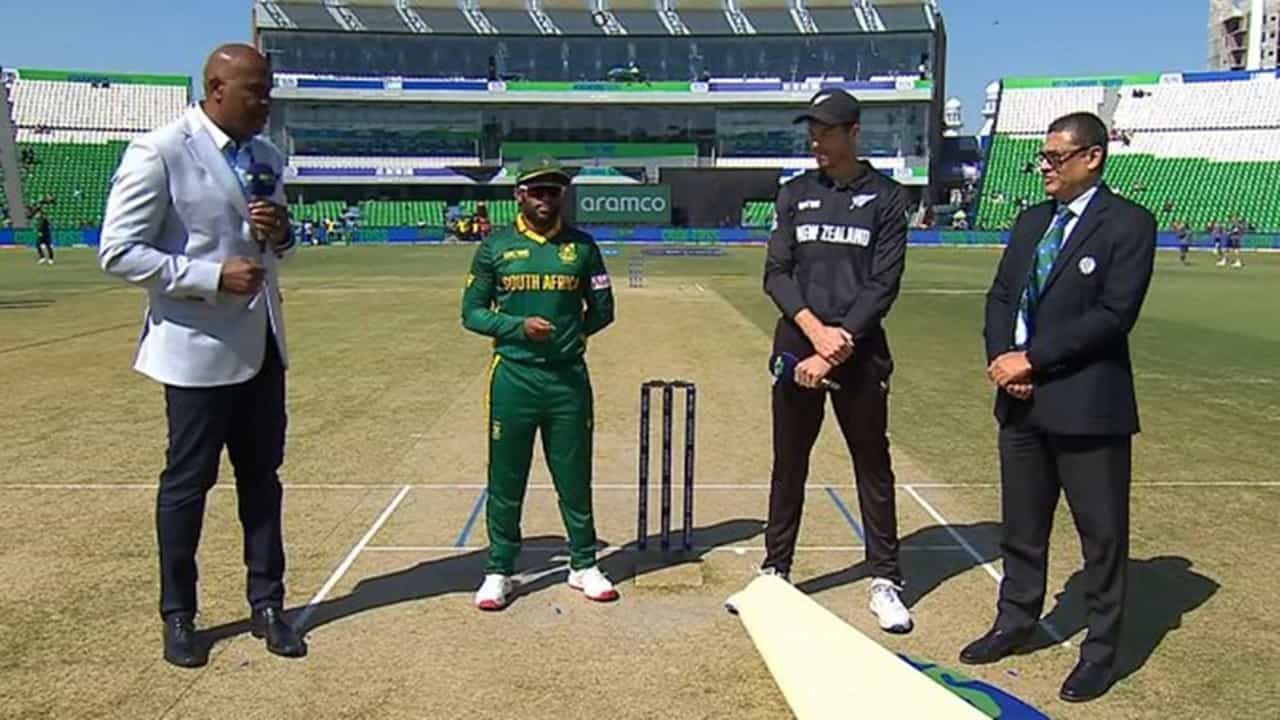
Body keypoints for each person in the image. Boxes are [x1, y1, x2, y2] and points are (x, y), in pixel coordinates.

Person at [98, 44, 304, 668]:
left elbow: (275, 248)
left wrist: (282, 234)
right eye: (255, 91)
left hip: (262, 345)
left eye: (268, 90)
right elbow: (118, 251)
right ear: (216, 89)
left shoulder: (266, 156)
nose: (266, 102)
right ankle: (180, 616)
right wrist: (210, 277)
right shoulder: (159, 151)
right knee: (188, 486)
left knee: (262, 481)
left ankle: (267, 604)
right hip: (196, 351)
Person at [967, 112, 1155, 703]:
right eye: (1043, 157)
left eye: (1056, 157)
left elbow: (1113, 315)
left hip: (1088, 406)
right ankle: (1015, 619)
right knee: (1022, 526)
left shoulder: (1129, 224)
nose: (1045, 167)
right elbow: (1002, 296)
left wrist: (1032, 360)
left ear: (1093, 157)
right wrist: (1003, 360)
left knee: (1101, 536)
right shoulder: (1031, 221)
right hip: (1019, 402)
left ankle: (1100, 652)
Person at [761, 89, 913, 633]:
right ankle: (775, 570)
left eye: (826, 131)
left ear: (853, 133)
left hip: (860, 351)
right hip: (799, 345)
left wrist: (840, 341)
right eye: (813, 131)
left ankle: (885, 579)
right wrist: (816, 334)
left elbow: (883, 283)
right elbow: (776, 274)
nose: (816, 141)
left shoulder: (887, 198)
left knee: (872, 465)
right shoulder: (794, 193)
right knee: (789, 464)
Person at [460, 155, 617, 611]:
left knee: (574, 474)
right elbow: (471, 313)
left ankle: (584, 563)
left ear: (563, 195)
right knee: (506, 476)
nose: (545, 199)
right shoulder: (496, 247)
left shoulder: (582, 247)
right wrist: (516, 328)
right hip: (514, 376)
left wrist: (571, 336)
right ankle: (499, 569)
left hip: (567, 378)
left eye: (554, 190)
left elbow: (604, 309)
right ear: (519, 194)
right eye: (536, 191)